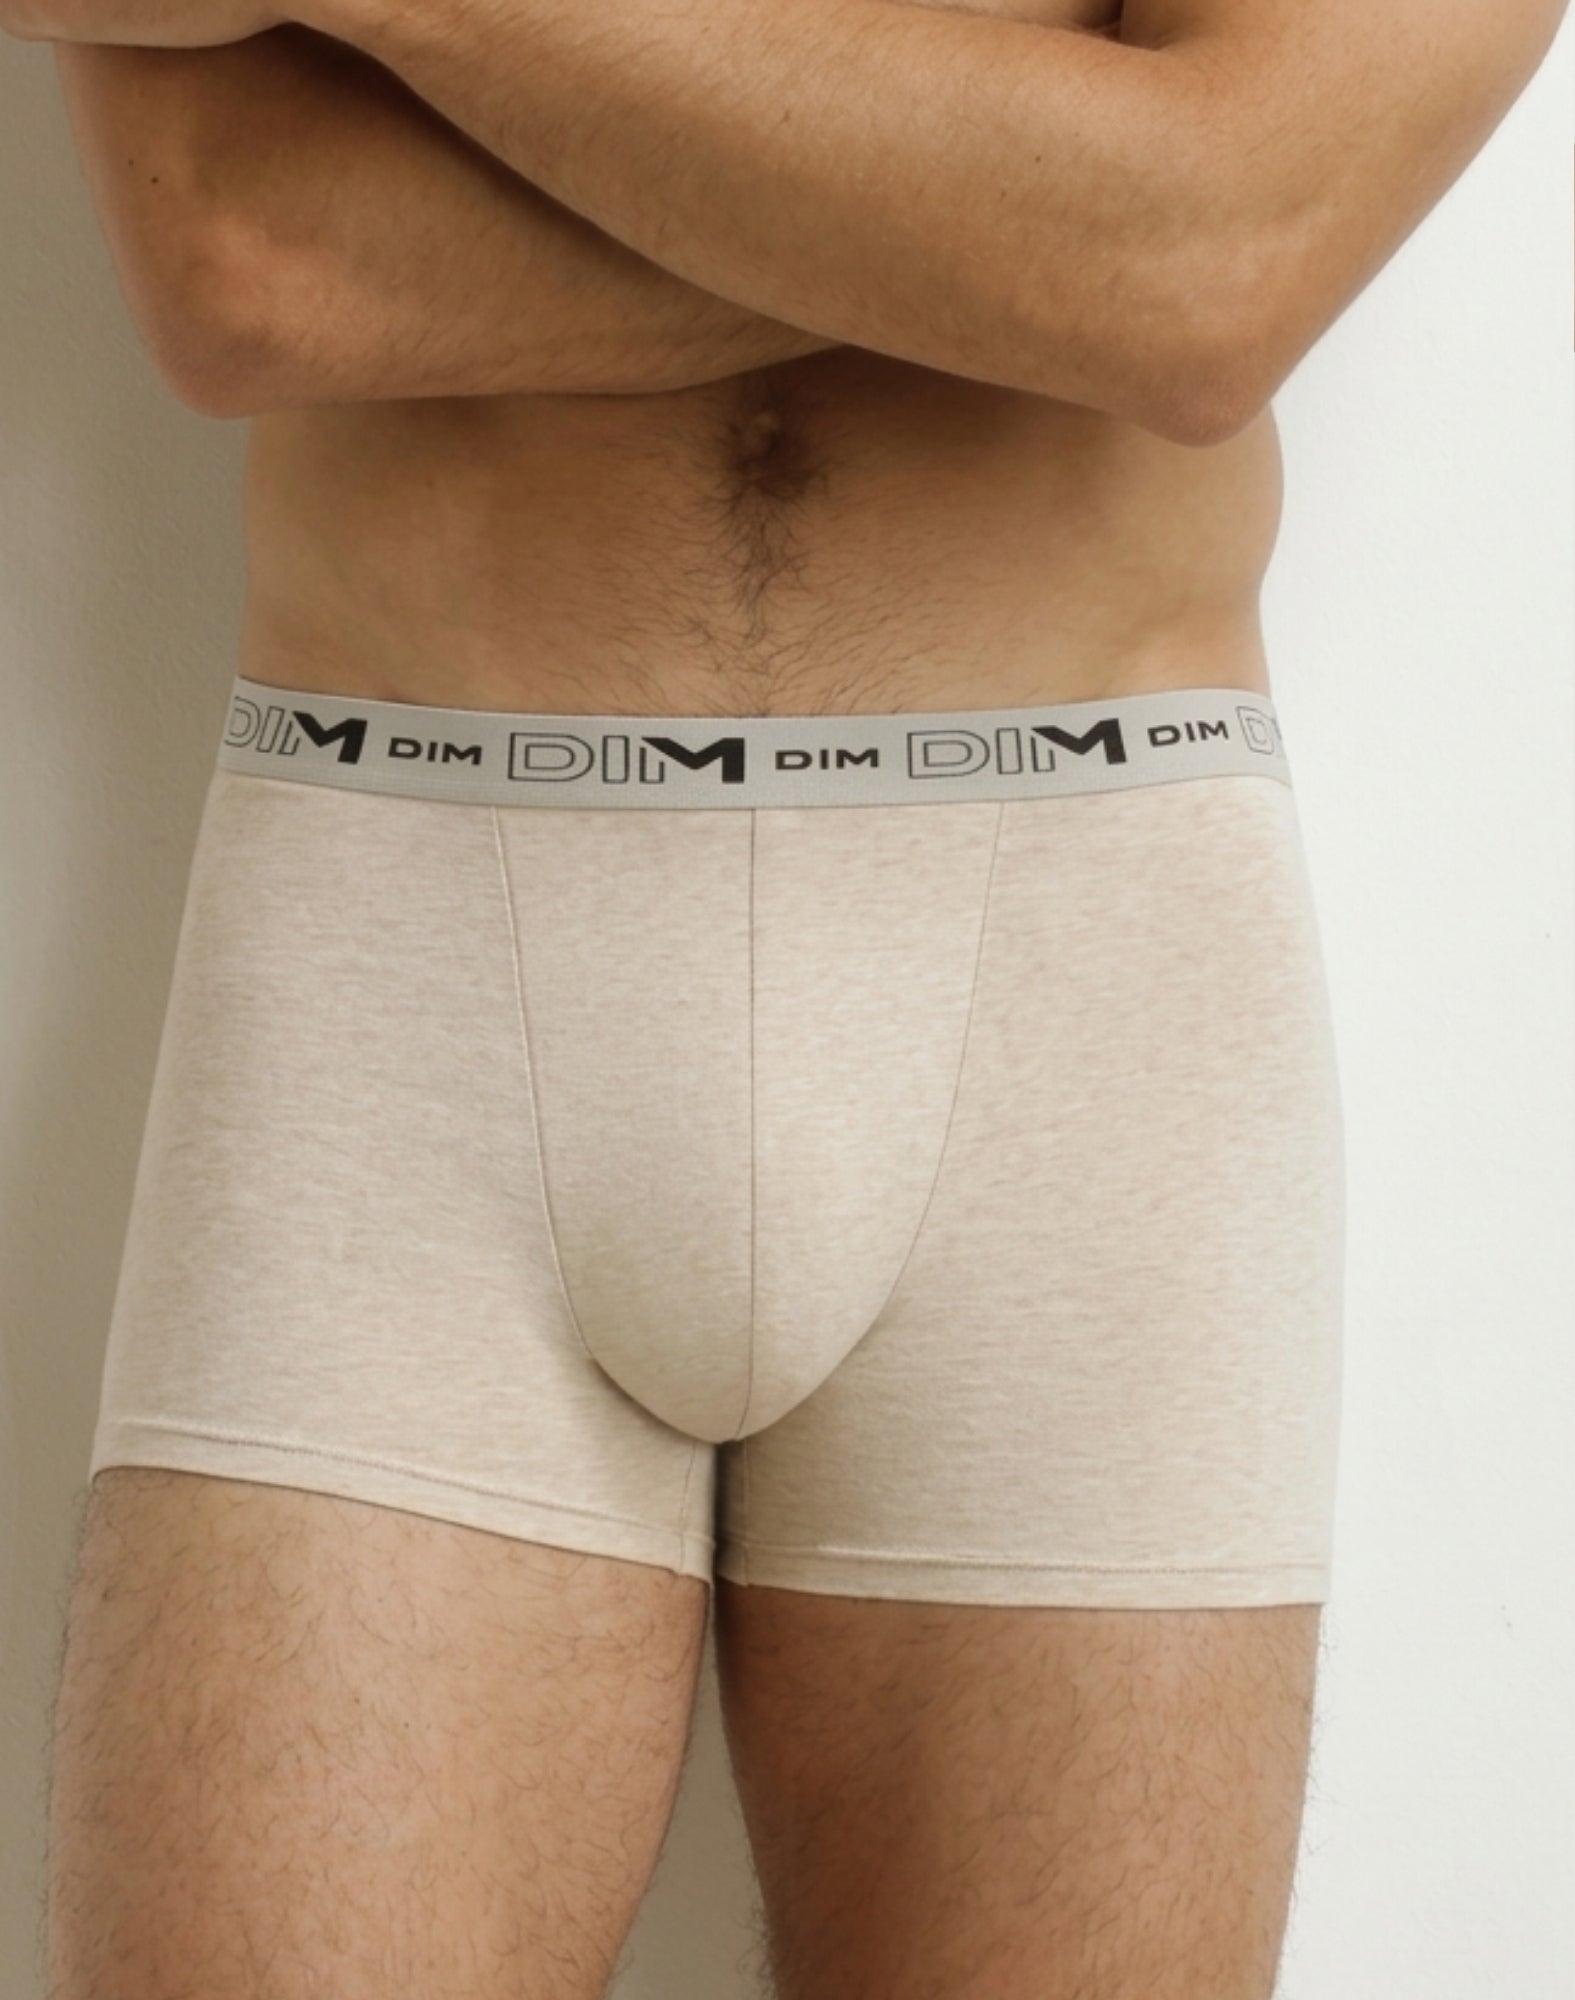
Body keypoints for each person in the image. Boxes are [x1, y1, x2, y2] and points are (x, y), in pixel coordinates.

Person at [10, 0, 1563, 1987]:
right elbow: (258, 266)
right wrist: (1030, 210)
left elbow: (1208, 271)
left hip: (1074, 988)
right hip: (407, 959)